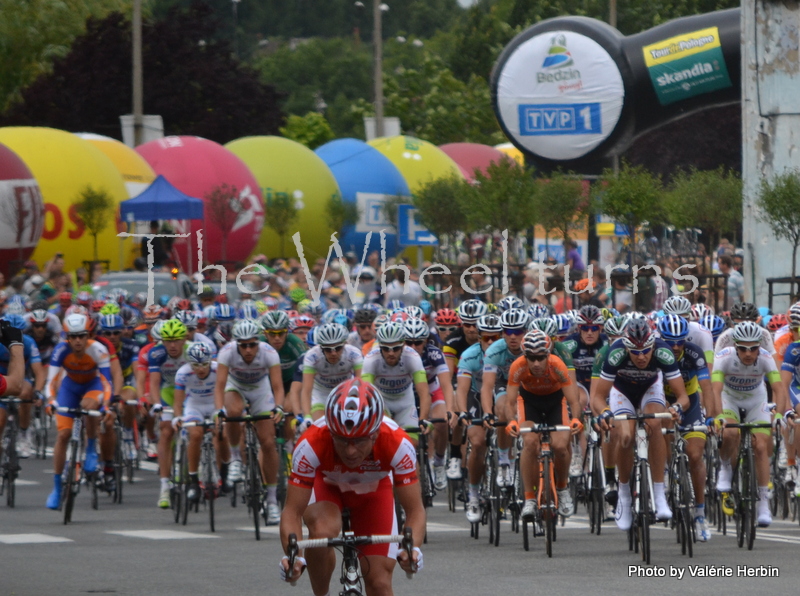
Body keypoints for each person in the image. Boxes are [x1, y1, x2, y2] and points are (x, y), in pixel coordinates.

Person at [279, 379, 424, 594]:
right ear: (330, 432)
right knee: (322, 531)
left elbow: (414, 509)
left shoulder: (397, 443)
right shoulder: (311, 443)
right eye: (341, 440)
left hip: (374, 492)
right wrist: (294, 557)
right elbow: (292, 511)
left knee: (379, 583)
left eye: (359, 441)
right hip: (327, 485)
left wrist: (412, 549)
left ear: (375, 433)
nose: (350, 451)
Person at [592, 319, 690, 530]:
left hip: (650, 389)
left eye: (646, 351)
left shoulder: (663, 352)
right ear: (626, 347)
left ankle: (658, 492)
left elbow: (683, 396)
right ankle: (625, 496)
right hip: (622, 392)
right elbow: (598, 398)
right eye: (635, 352)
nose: (641, 356)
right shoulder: (616, 352)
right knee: (625, 435)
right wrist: (605, 411)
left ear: (652, 345)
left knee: (654, 424)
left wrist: (676, 408)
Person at [715, 321, 791, 527]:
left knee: (760, 445)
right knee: (730, 434)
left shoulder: (766, 358)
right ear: (735, 346)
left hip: (756, 400)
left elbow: (779, 388)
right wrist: (717, 416)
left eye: (753, 348)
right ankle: (725, 468)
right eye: (742, 348)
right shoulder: (724, 357)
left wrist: (777, 416)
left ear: (760, 346)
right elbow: (715, 389)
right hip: (729, 398)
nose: (748, 353)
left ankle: (763, 504)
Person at [506, 330, 583, 520]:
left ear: (548, 354)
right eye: (531, 358)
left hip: (555, 402)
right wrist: (512, 422)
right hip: (529, 403)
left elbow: (573, 400)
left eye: (540, 358)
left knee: (560, 445)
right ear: (525, 357)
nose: (536, 363)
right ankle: (529, 498)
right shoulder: (517, 366)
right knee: (530, 442)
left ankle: (563, 488)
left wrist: (575, 419)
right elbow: (509, 402)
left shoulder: (557, 365)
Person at [215, 319, 286, 524]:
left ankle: (272, 501)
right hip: (235, 386)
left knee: (269, 442)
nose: (248, 349)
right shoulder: (227, 352)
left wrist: (279, 408)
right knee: (234, 411)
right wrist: (219, 410)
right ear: (236, 344)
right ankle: (236, 457)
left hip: (260, 390)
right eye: (243, 345)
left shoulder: (269, 353)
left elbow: (278, 387)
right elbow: (219, 386)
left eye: (252, 344)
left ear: (258, 342)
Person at [45, 314, 113, 509]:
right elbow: (51, 381)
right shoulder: (61, 350)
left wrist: (106, 404)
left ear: (88, 335)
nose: (77, 341)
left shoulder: (98, 350)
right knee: (63, 434)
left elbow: (107, 382)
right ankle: (57, 488)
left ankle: (91, 448)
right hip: (70, 387)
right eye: (72, 336)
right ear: (67, 337)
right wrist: (50, 401)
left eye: (81, 336)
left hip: (93, 386)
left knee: (89, 406)